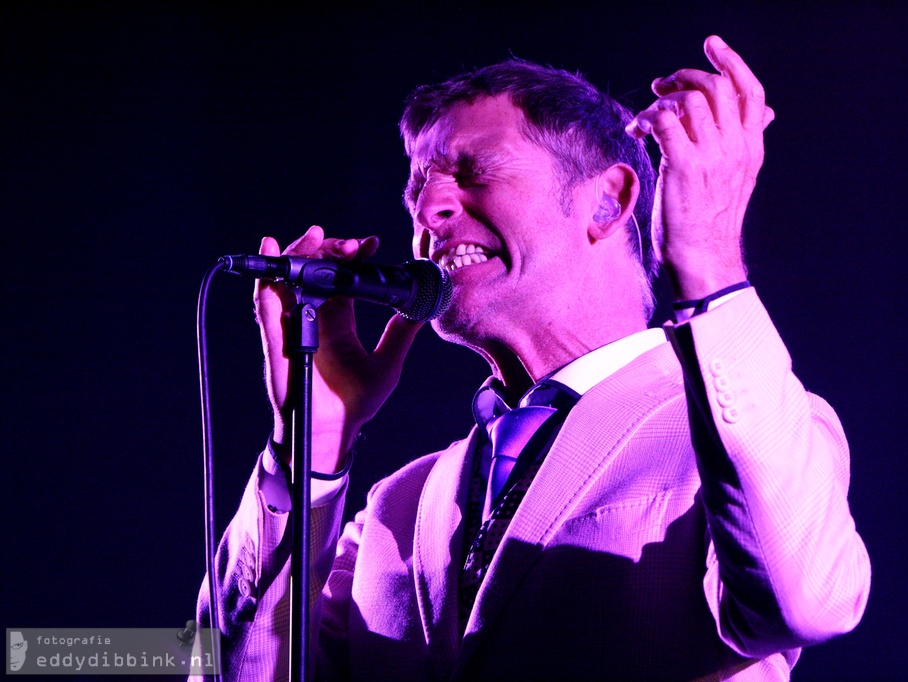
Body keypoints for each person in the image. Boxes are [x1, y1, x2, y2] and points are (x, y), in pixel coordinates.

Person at [197, 36, 871, 681]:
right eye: (416, 192)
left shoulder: (748, 429)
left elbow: (810, 600)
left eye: (474, 172)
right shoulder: (397, 507)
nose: (428, 208)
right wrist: (310, 446)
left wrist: (710, 259)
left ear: (609, 200)